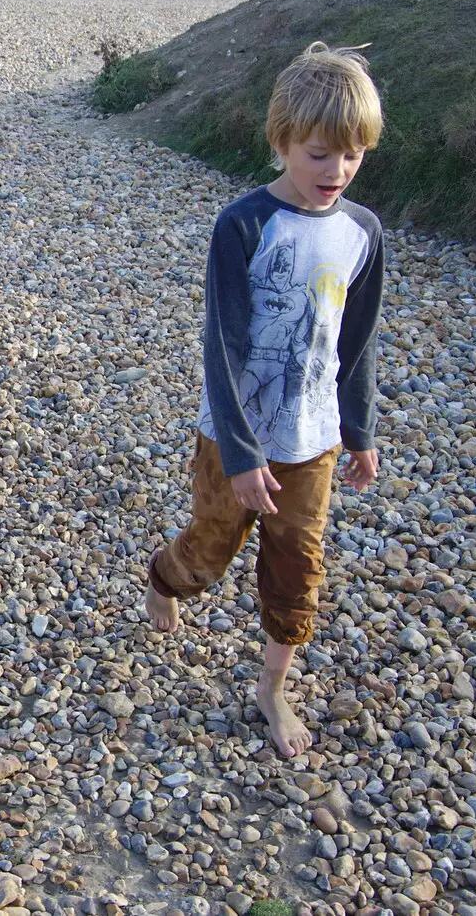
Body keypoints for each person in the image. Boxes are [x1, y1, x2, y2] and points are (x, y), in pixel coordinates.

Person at [142, 42, 385, 759]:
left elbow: (358, 341)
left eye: (353, 155)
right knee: (207, 557)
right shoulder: (243, 226)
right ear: (280, 142)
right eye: (318, 154)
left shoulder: (362, 232)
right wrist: (243, 454)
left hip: (312, 441)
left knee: (297, 570)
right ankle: (162, 578)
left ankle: (271, 687)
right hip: (233, 437)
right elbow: (222, 348)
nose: (336, 172)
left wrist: (359, 429)